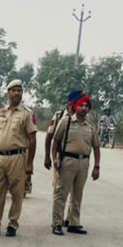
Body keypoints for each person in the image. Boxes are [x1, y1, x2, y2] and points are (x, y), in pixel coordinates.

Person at [0, 79, 36, 236]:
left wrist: (29, 163)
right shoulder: (1, 112)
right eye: (14, 90)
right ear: (8, 93)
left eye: (19, 90)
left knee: (17, 192)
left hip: (18, 158)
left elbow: (32, 139)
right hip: (0, 157)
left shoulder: (27, 114)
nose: (17, 93)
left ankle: (13, 224)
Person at [50, 91, 101, 235]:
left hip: (83, 162)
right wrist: (55, 158)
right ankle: (57, 223)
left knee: (77, 194)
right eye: (81, 105)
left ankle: (74, 222)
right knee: (61, 193)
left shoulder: (90, 127)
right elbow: (56, 142)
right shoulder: (65, 122)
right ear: (76, 107)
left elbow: (96, 148)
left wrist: (97, 166)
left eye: (86, 106)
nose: (84, 108)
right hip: (68, 161)